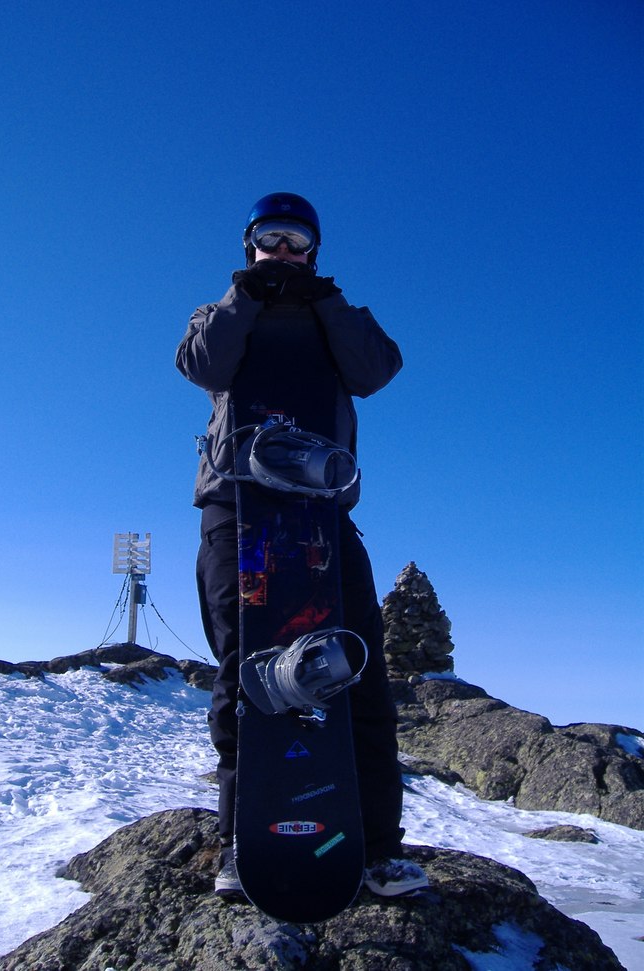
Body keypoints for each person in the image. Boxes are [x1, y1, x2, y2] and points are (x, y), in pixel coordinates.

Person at [176, 192, 428, 900]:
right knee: (244, 671)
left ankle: (374, 849)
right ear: (250, 242)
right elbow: (202, 364)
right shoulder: (222, 312)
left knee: (360, 673)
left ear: (314, 249)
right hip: (238, 510)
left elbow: (375, 371)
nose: (282, 251)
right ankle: (239, 842)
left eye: (295, 240)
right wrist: (243, 297)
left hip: (322, 518)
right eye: (269, 238)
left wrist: (328, 303)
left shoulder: (336, 314)